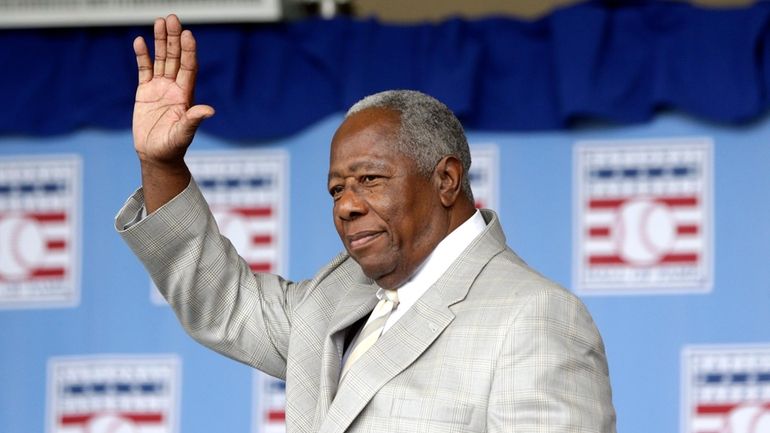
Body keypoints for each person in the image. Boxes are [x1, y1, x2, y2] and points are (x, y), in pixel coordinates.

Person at [116, 14, 616, 433]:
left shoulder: (536, 318)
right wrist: (163, 167)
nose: (346, 206)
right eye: (337, 189)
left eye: (369, 180)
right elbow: (223, 302)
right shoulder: (339, 297)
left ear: (445, 180)